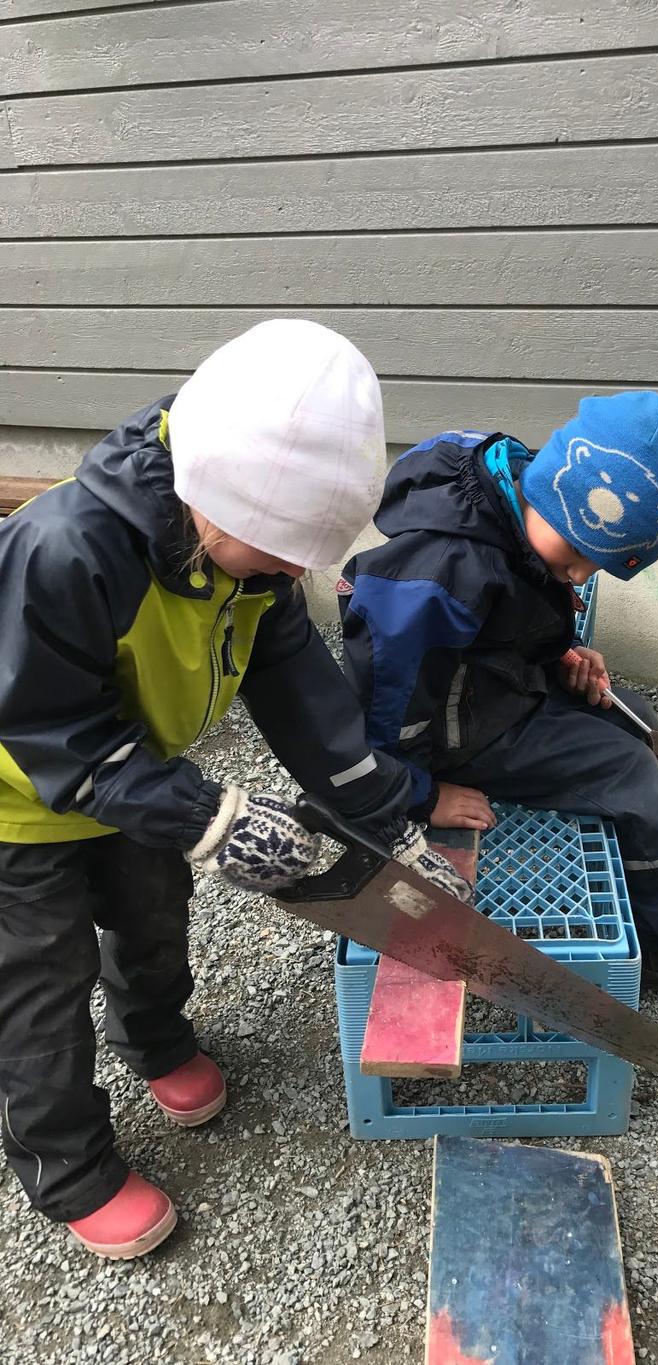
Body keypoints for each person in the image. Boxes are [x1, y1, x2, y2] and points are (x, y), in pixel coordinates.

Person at [0, 320, 469, 1261]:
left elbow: (304, 699)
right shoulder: (64, 550)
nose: (292, 572)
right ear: (213, 495)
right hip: (19, 803)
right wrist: (209, 816)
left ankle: (158, 1043)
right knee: (41, 989)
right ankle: (71, 1168)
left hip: (135, 776)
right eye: (281, 549)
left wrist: (385, 820)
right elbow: (51, 730)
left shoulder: (244, 567)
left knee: (153, 917)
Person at [338, 391, 658, 1003]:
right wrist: (419, 793)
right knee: (626, 770)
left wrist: (561, 651)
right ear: (555, 495)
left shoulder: (515, 504)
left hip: (499, 692)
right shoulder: (440, 571)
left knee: (641, 727)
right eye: (577, 556)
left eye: (595, 567)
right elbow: (383, 700)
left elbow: (511, 616)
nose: (578, 575)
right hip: (457, 738)